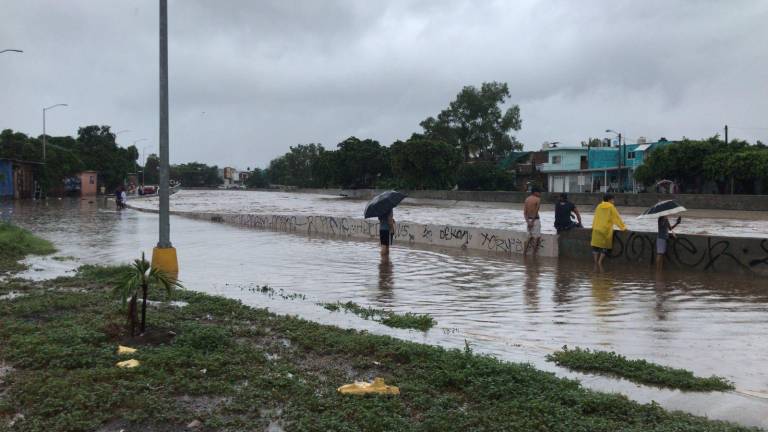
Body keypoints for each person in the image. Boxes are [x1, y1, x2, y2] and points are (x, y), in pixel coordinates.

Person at [590, 194, 627, 269]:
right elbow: (616, 218)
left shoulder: (598, 206)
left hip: (596, 229)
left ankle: (595, 263)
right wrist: (623, 227)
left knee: (595, 247)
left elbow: (595, 217)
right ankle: (600, 263)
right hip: (605, 229)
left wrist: (593, 227)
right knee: (604, 247)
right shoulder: (611, 207)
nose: (614, 201)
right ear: (609, 200)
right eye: (613, 199)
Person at [523, 187, 541, 256]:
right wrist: (532, 222)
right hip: (535, 220)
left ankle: (524, 253)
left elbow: (524, 213)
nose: (540, 194)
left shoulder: (527, 199)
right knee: (536, 238)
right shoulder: (538, 199)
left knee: (528, 237)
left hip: (529, 220)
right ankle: (533, 255)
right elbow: (536, 212)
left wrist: (528, 222)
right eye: (539, 192)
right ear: (535, 192)